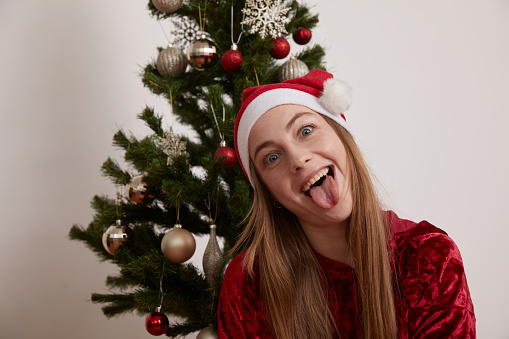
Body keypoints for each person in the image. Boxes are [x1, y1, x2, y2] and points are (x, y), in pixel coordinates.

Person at [218, 69, 475, 339]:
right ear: (269, 193)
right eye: (271, 158)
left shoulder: (429, 257)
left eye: (306, 130)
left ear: (343, 136)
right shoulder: (248, 283)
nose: (297, 159)